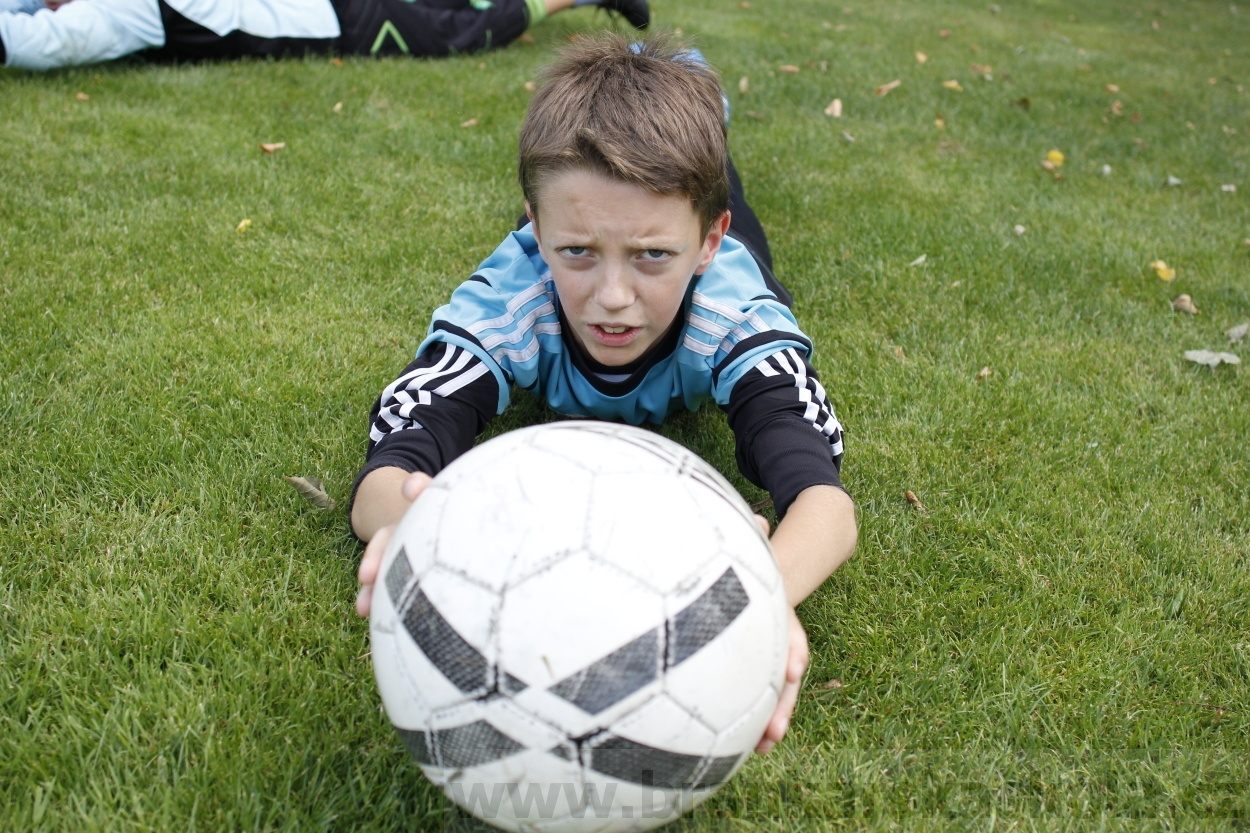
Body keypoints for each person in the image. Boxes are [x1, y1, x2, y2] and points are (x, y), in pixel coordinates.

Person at [351, 33, 858, 755]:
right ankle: (656, 73)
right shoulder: (511, 298)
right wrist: (415, 527)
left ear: (706, 245)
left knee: (713, 165)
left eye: (653, 255)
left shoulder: (736, 312)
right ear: (533, 226)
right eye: (577, 251)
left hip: (716, 240)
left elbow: (826, 505)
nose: (613, 298)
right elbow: (391, 466)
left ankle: (689, 83)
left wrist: (751, 604)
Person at [0, 0, 647, 71]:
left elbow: (35, 44)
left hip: (338, 16)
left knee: (458, 34)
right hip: (333, 15)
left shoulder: (124, 10)